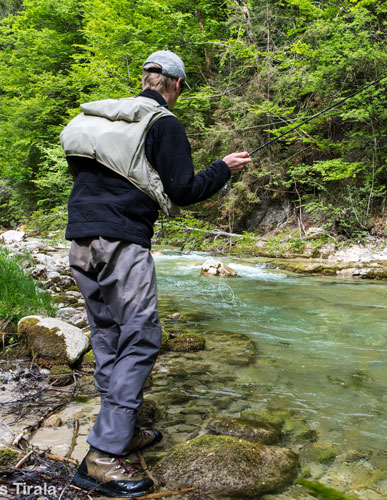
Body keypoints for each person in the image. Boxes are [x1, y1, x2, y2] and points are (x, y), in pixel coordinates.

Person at [60, 50, 251, 497]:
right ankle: (104, 456)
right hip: (122, 241)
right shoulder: (163, 123)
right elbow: (184, 190)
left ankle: (120, 429)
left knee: (108, 335)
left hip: (80, 241)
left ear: (145, 79)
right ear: (177, 85)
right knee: (142, 337)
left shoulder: (108, 120)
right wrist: (223, 168)